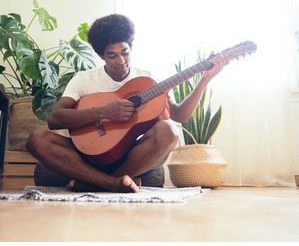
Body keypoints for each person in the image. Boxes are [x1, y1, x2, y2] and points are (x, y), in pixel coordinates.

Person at [26, 14, 229, 193]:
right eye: (112, 55)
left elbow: (179, 116)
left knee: (170, 130)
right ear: (100, 55)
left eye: (125, 52)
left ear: (131, 47)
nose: (121, 60)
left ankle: (99, 183)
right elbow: (55, 118)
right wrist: (104, 111)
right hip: (85, 154)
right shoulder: (84, 79)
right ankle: (111, 184)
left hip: (129, 156)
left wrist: (205, 79)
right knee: (37, 139)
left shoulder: (147, 79)